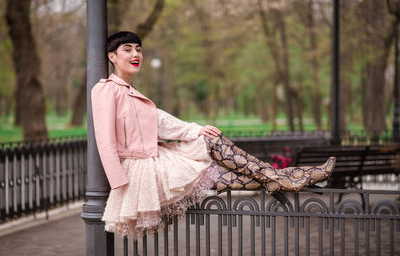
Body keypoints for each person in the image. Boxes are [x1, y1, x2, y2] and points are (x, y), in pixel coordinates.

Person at [91, 31, 335, 238]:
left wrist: (197, 128)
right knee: (212, 146)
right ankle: (288, 178)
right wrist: (119, 181)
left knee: (220, 167)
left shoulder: (132, 92)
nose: (136, 54)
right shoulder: (106, 90)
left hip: (155, 161)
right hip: (137, 170)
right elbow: (104, 140)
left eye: (138, 49)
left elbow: (164, 122)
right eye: (127, 49)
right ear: (112, 56)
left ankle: (284, 178)